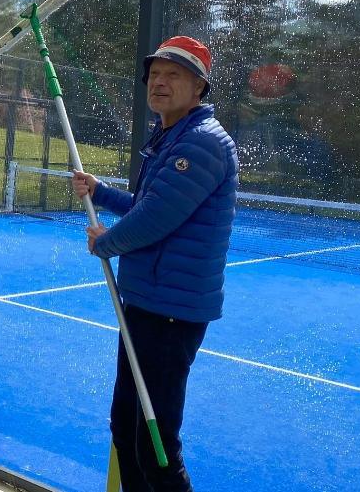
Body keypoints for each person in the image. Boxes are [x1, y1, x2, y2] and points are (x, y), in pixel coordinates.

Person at [71, 36, 237, 492]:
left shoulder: (201, 143)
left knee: (156, 448)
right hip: (146, 305)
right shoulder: (172, 137)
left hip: (171, 313)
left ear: (199, 86)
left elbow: (157, 218)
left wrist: (107, 243)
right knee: (126, 429)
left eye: (174, 75)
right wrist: (100, 193)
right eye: (156, 74)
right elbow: (149, 203)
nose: (159, 83)